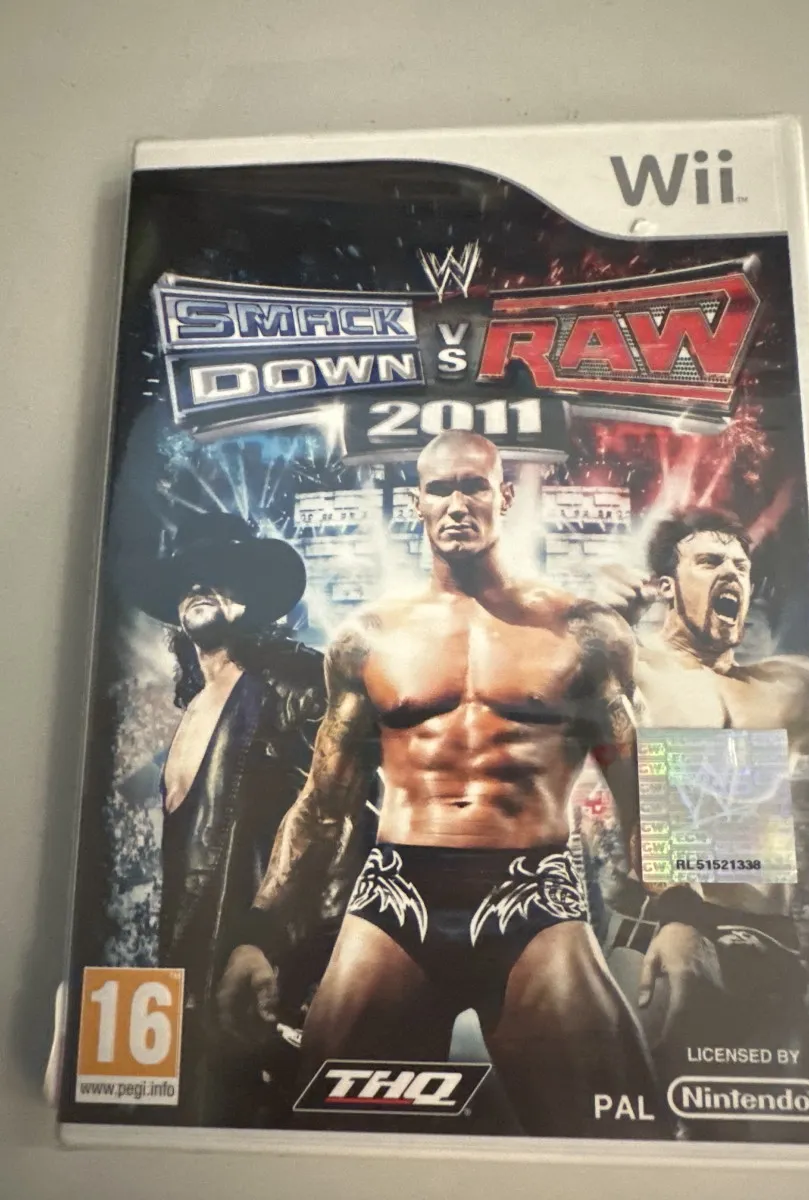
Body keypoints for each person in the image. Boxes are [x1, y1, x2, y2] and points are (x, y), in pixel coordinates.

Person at [218, 431, 666, 1138]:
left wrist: (684, 918)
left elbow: (642, 785)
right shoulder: (368, 637)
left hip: (534, 893)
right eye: (440, 488)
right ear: (416, 503)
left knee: (621, 1124)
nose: (458, 503)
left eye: (474, 486)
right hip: (399, 891)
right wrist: (259, 933)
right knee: (321, 1121)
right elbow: (324, 804)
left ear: (504, 497)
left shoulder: (584, 630)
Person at [590, 508, 809, 1088]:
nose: (731, 573)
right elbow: (553, 676)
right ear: (667, 586)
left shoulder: (786, 687)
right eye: (710, 561)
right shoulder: (632, 667)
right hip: (657, 929)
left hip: (770, 938)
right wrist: (599, 619)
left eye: (740, 565)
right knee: (654, 1110)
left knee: (761, 1124)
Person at [136, 511, 331, 1125]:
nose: (200, 585)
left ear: (252, 597)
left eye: (221, 573)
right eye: (189, 575)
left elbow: (338, 822)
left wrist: (276, 952)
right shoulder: (192, 705)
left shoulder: (296, 680)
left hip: (264, 974)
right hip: (189, 980)